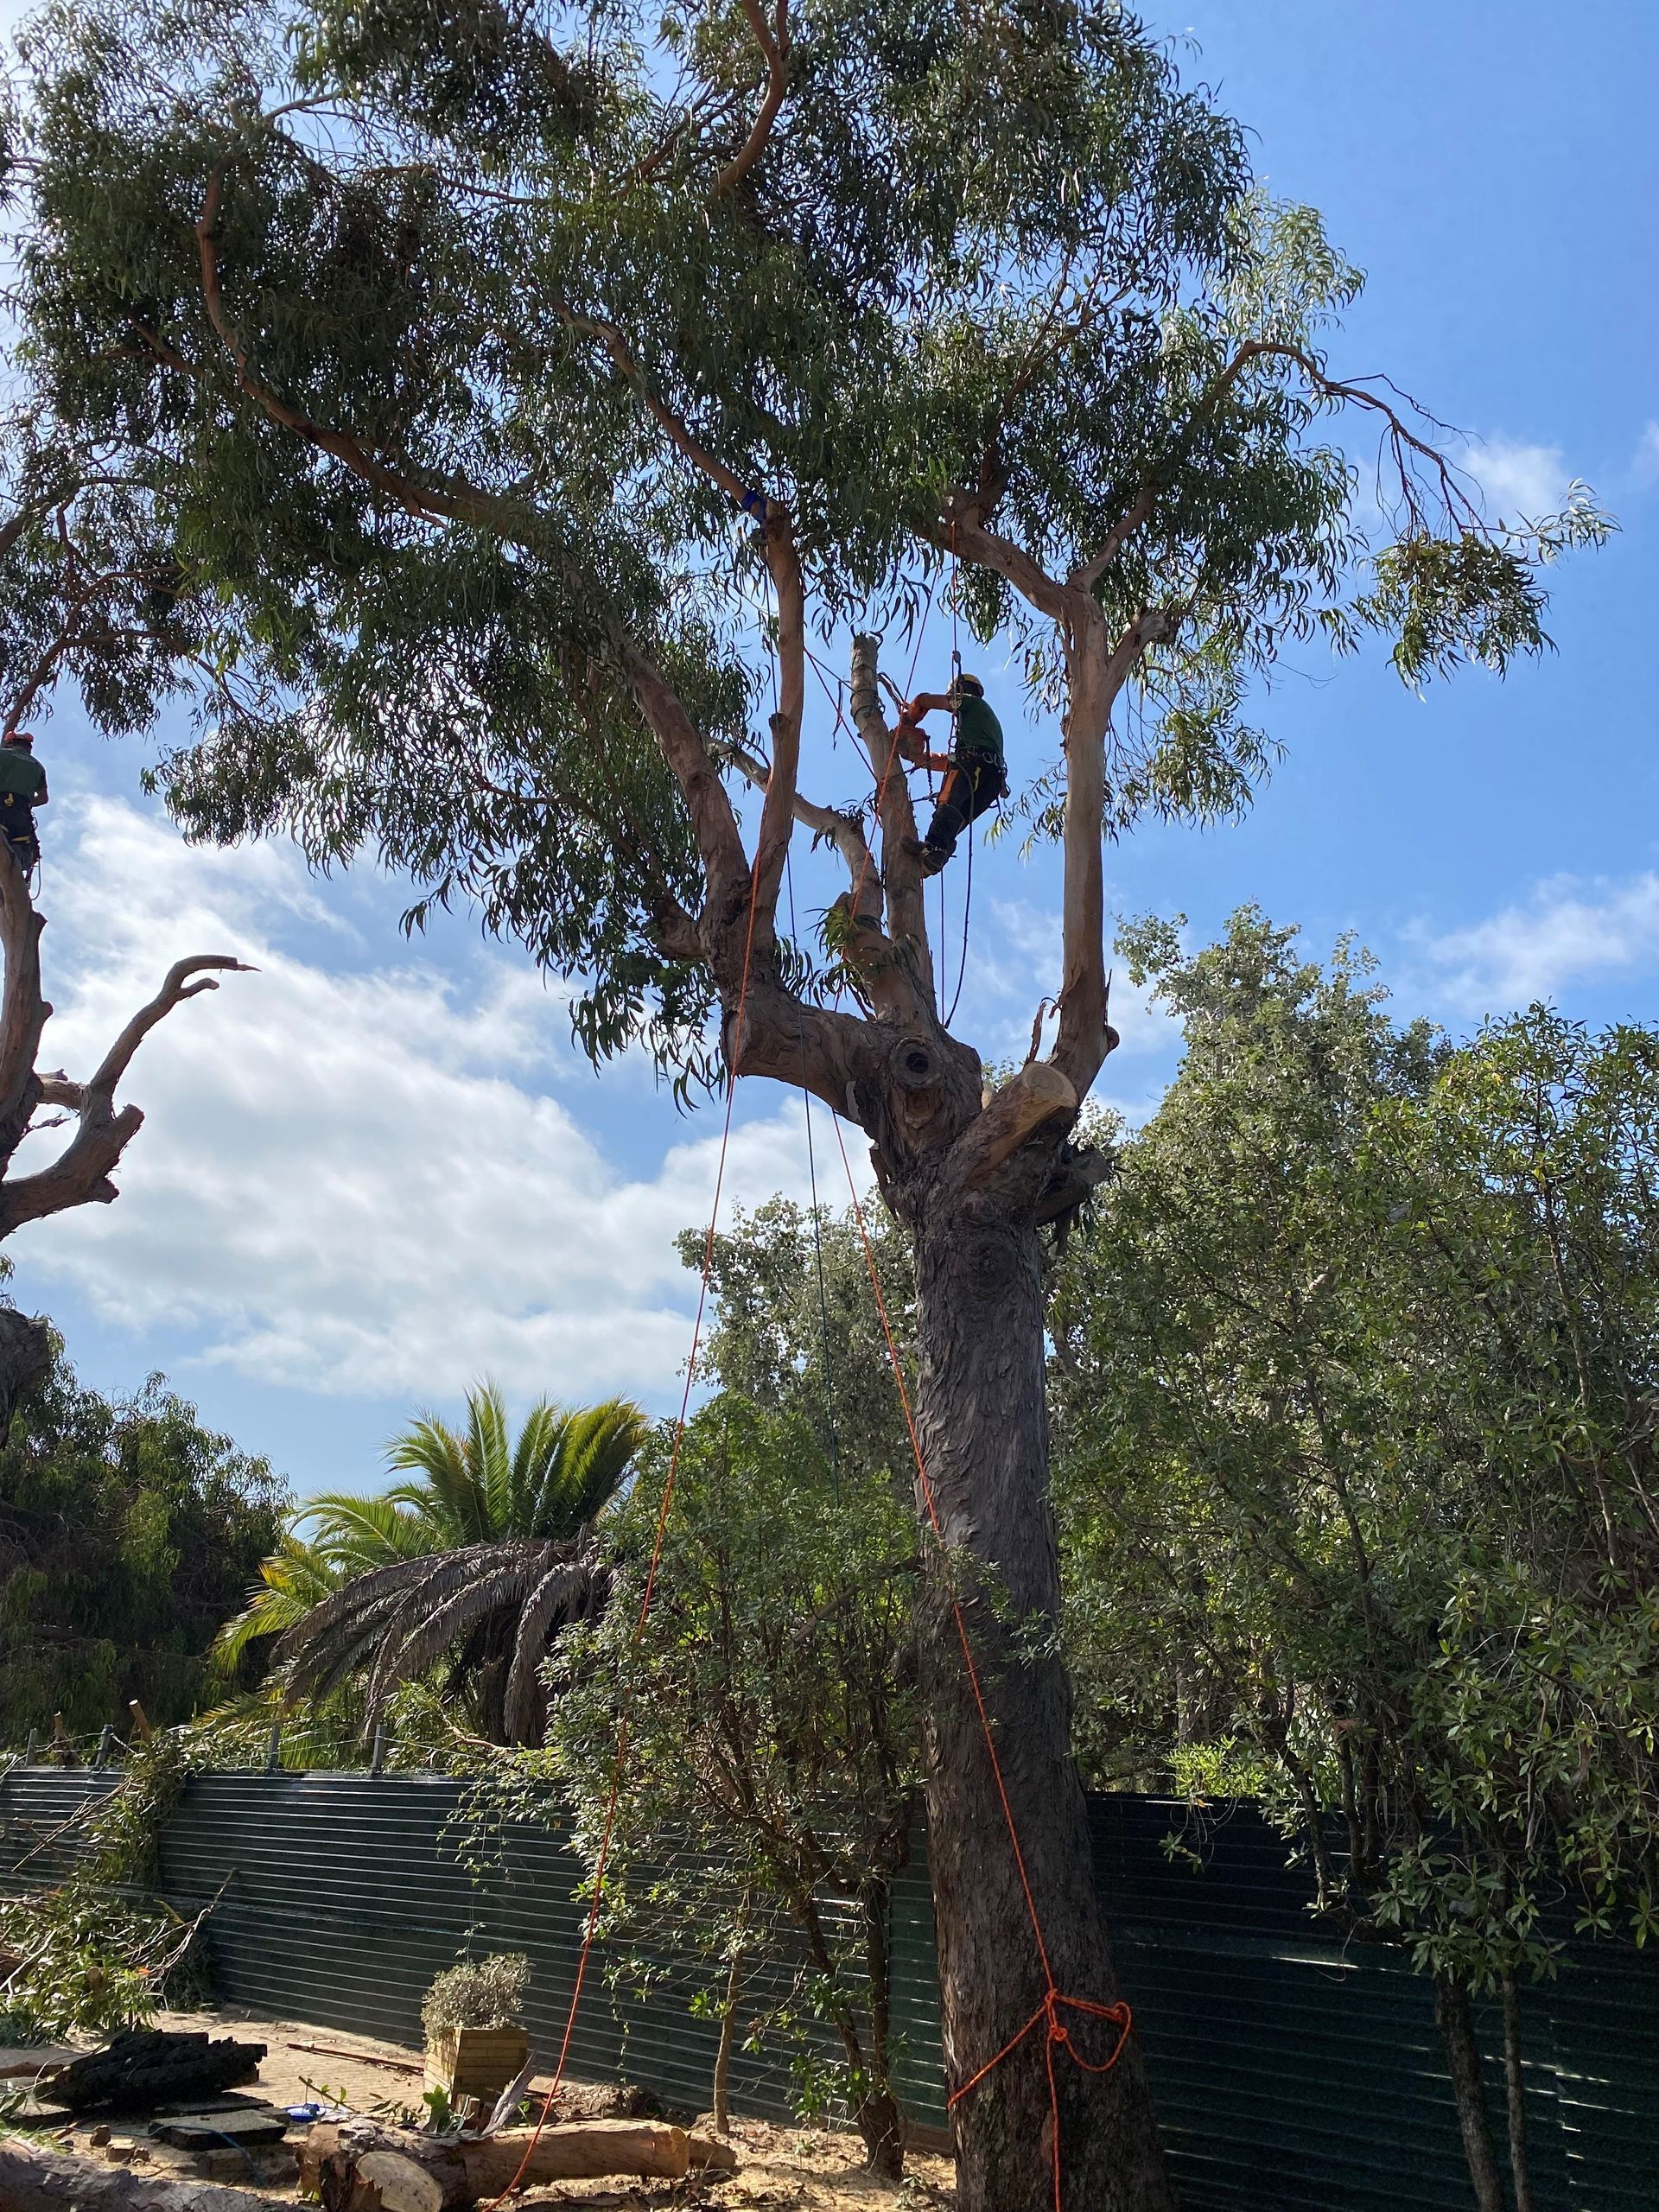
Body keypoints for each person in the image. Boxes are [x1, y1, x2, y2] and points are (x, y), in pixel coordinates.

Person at [896, 672, 1007, 875]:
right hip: (991, 780)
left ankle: (933, 847)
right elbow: (951, 761)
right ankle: (935, 858)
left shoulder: (970, 703)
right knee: (957, 819)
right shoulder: (980, 726)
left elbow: (924, 700)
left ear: (960, 689)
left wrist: (910, 717)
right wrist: (919, 759)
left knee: (947, 804)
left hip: (973, 767)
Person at [0, 730, 48, 873]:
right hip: (22, 818)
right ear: (29, 749)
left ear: (9, 744)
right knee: (19, 860)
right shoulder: (38, 767)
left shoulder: (2, 755)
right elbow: (43, 798)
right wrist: (25, 803)